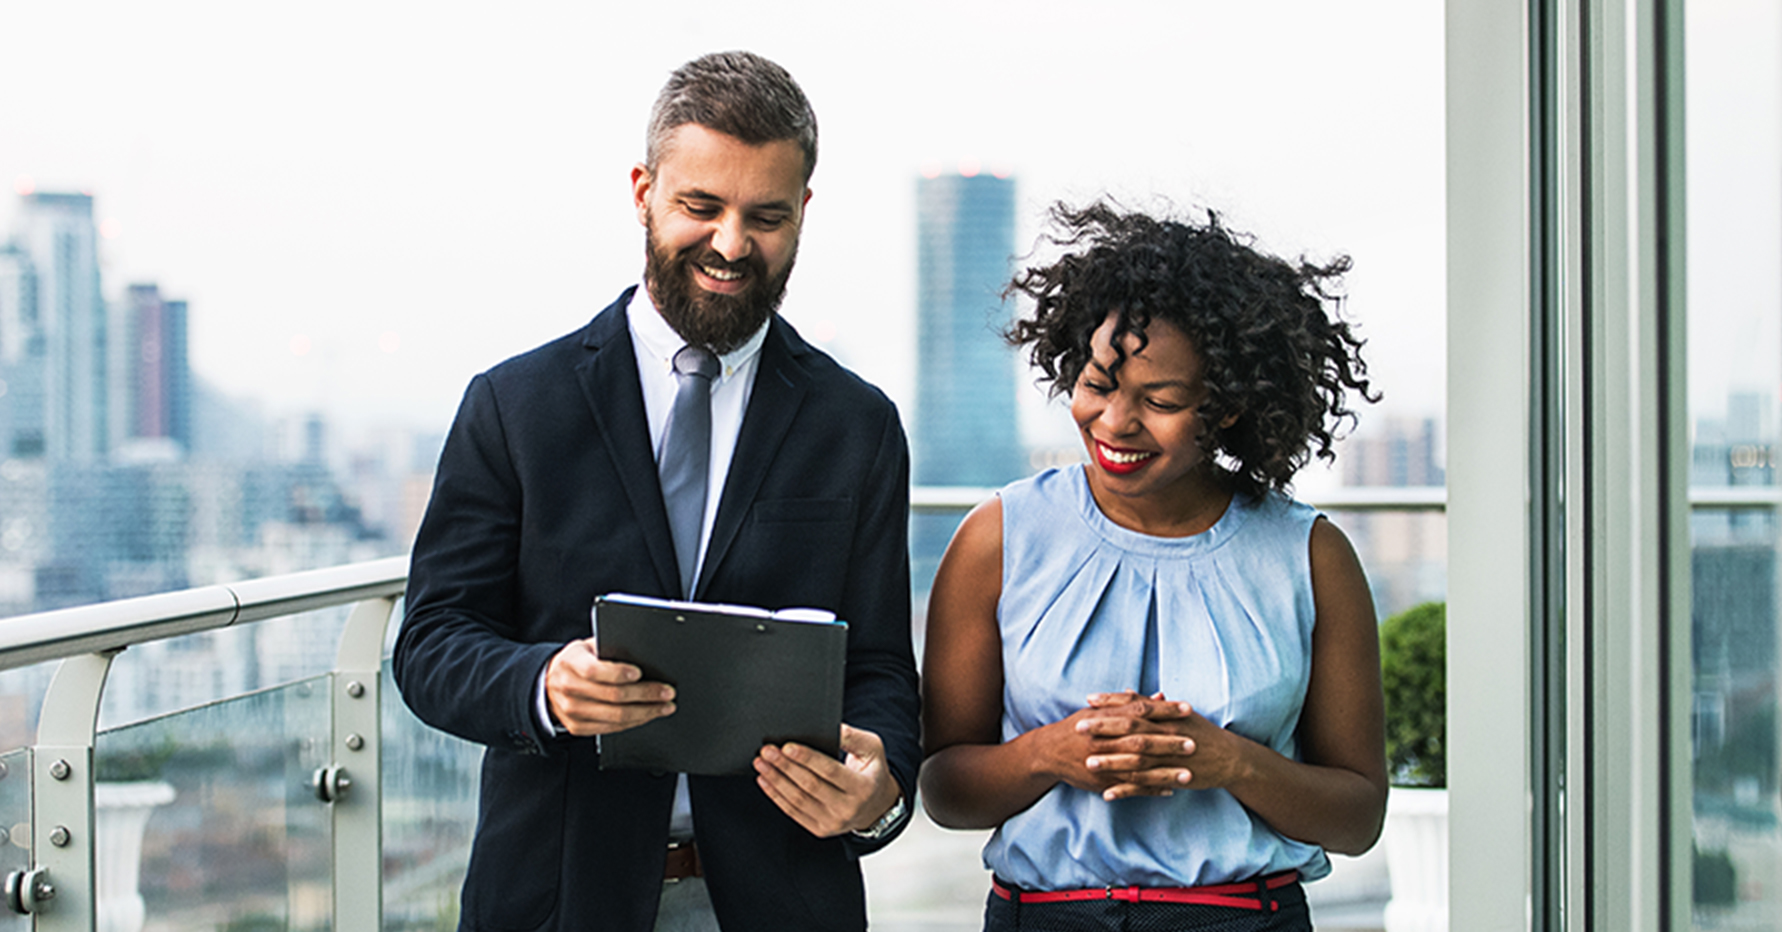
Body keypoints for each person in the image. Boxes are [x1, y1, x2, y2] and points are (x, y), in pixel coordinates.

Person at [393, 51, 919, 932]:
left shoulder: (856, 425)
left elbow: (877, 671)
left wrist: (878, 789)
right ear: (643, 191)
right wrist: (543, 685)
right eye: (700, 207)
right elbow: (431, 642)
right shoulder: (514, 405)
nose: (730, 244)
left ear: (804, 212)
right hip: (559, 900)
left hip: (782, 898)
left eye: (767, 216)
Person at [918, 202, 1388, 931]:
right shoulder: (999, 537)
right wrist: (1049, 755)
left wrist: (1231, 762)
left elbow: (1357, 819)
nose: (1115, 424)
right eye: (1097, 385)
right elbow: (945, 789)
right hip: (1042, 919)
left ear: (1227, 407)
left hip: (1244, 919)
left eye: (1160, 401)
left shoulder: (1310, 555)